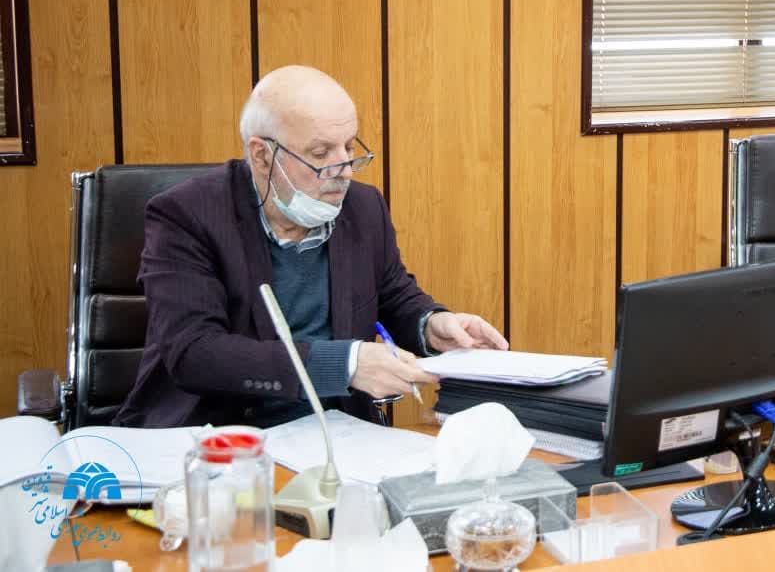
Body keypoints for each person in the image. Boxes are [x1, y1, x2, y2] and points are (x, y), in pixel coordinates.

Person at [115, 65, 507, 427]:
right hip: (221, 437)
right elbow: (195, 352)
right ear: (262, 156)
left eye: (349, 147)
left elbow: (392, 294)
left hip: (339, 434)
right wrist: (343, 364)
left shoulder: (363, 207)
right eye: (321, 154)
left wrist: (431, 325)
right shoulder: (186, 215)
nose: (345, 170)